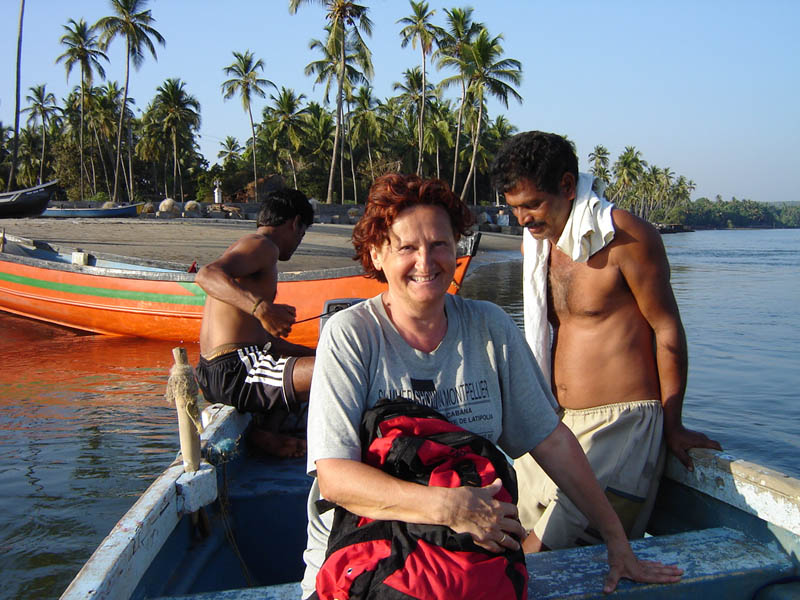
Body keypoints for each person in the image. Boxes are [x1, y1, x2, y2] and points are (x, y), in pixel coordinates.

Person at [300, 173, 682, 598]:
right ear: (376, 254)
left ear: (457, 248)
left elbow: (552, 442)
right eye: (406, 247)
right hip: (363, 568)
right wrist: (451, 508)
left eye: (440, 244)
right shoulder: (351, 335)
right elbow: (335, 478)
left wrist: (617, 540)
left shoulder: (489, 326)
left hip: (467, 567)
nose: (426, 262)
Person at [490, 131, 722, 552]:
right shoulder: (540, 244)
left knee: (545, 555)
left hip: (621, 426)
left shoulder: (626, 239)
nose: (522, 219)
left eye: (532, 205)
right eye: (515, 209)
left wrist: (674, 423)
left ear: (566, 185)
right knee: (505, 542)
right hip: (556, 424)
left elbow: (667, 328)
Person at [195, 188, 315, 458]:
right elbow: (206, 275)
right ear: (294, 223)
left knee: (317, 360)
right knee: (337, 369)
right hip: (235, 370)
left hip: (216, 371)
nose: (298, 242)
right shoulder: (262, 245)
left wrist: (310, 353)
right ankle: (268, 434)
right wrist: (261, 309)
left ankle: (268, 430)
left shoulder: (255, 249)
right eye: (301, 234)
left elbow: (261, 341)